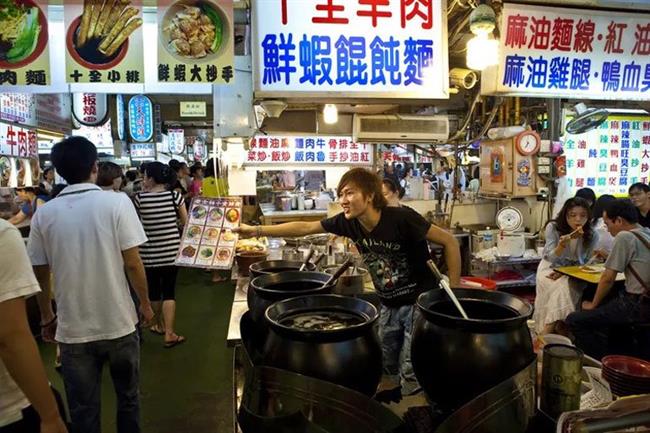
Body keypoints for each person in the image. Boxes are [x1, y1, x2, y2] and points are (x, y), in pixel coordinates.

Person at [238, 168, 461, 397]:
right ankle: (394, 407)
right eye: (340, 194)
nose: (343, 200)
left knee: (411, 368)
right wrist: (255, 230)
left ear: (370, 196)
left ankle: (415, 415)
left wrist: (456, 290)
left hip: (418, 303)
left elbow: (450, 242)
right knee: (385, 364)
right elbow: (306, 227)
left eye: (349, 193)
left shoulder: (401, 219)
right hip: (388, 304)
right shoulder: (349, 223)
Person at [27, 136, 154, 433]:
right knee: (128, 399)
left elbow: (40, 272)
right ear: (94, 167)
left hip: (73, 332)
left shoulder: (44, 214)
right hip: (120, 323)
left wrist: (47, 316)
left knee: (84, 410)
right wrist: (145, 305)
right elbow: (133, 262)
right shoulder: (117, 203)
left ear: (58, 172)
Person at [0, 218, 68, 433]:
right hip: (13, 406)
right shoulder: (3, 236)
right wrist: (49, 415)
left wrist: (47, 314)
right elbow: (10, 336)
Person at [566, 199, 650, 360]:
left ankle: (600, 363)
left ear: (619, 220)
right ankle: (617, 353)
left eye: (607, 223)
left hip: (635, 305)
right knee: (608, 308)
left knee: (575, 319)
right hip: (644, 302)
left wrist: (593, 305)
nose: (607, 228)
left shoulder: (624, 236)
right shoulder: (646, 232)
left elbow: (607, 278)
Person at [134, 162, 187, 348]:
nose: (143, 179)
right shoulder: (175, 196)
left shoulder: (139, 199)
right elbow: (186, 223)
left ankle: (157, 325)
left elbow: (135, 226)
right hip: (172, 252)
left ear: (151, 178)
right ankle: (170, 333)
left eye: (145, 176)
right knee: (170, 292)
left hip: (148, 254)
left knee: (154, 292)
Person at [533, 197, 598, 335]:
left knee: (565, 285)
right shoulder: (554, 228)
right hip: (549, 267)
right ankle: (562, 328)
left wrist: (565, 272)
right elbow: (548, 256)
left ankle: (548, 331)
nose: (578, 220)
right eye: (573, 215)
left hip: (573, 272)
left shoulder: (592, 234)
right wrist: (561, 246)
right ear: (565, 215)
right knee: (562, 287)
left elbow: (584, 262)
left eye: (583, 216)